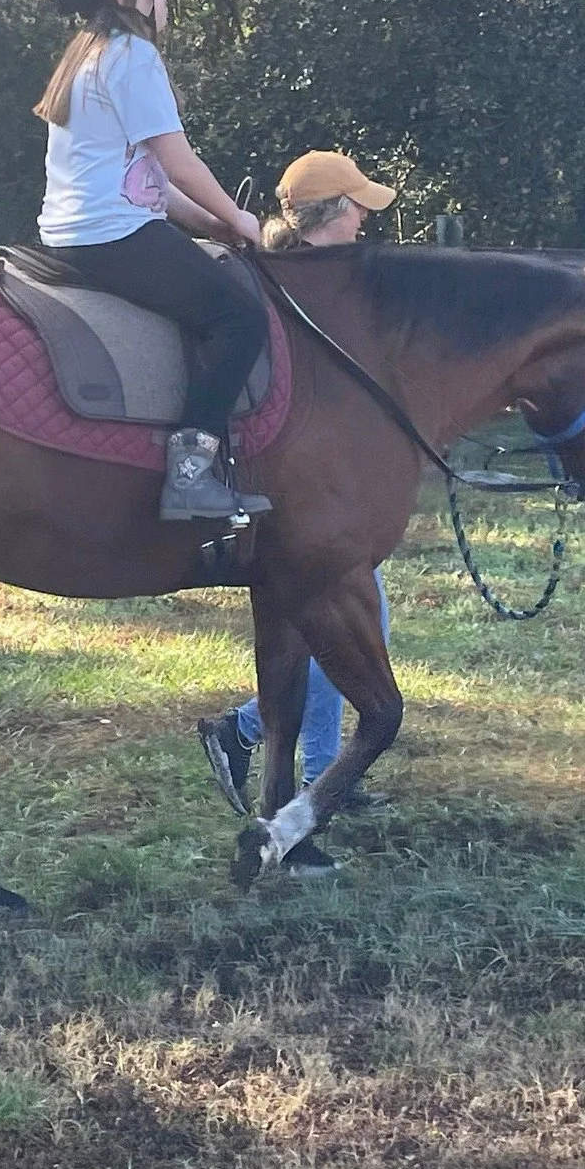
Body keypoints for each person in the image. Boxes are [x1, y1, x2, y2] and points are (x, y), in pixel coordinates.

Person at [35, 0, 270, 521]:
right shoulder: (133, 57)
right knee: (240, 318)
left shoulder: (85, 58)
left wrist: (213, 224)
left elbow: (150, 183)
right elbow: (179, 162)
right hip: (113, 235)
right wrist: (241, 218)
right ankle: (191, 477)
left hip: (75, 233)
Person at [196, 150, 396, 815]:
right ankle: (268, 743)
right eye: (358, 205)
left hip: (322, 481)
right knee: (343, 628)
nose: (365, 218)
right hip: (303, 486)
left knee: (347, 626)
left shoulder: (310, 281)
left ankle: (301, 761)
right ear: (333, 211)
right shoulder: (301, 290)